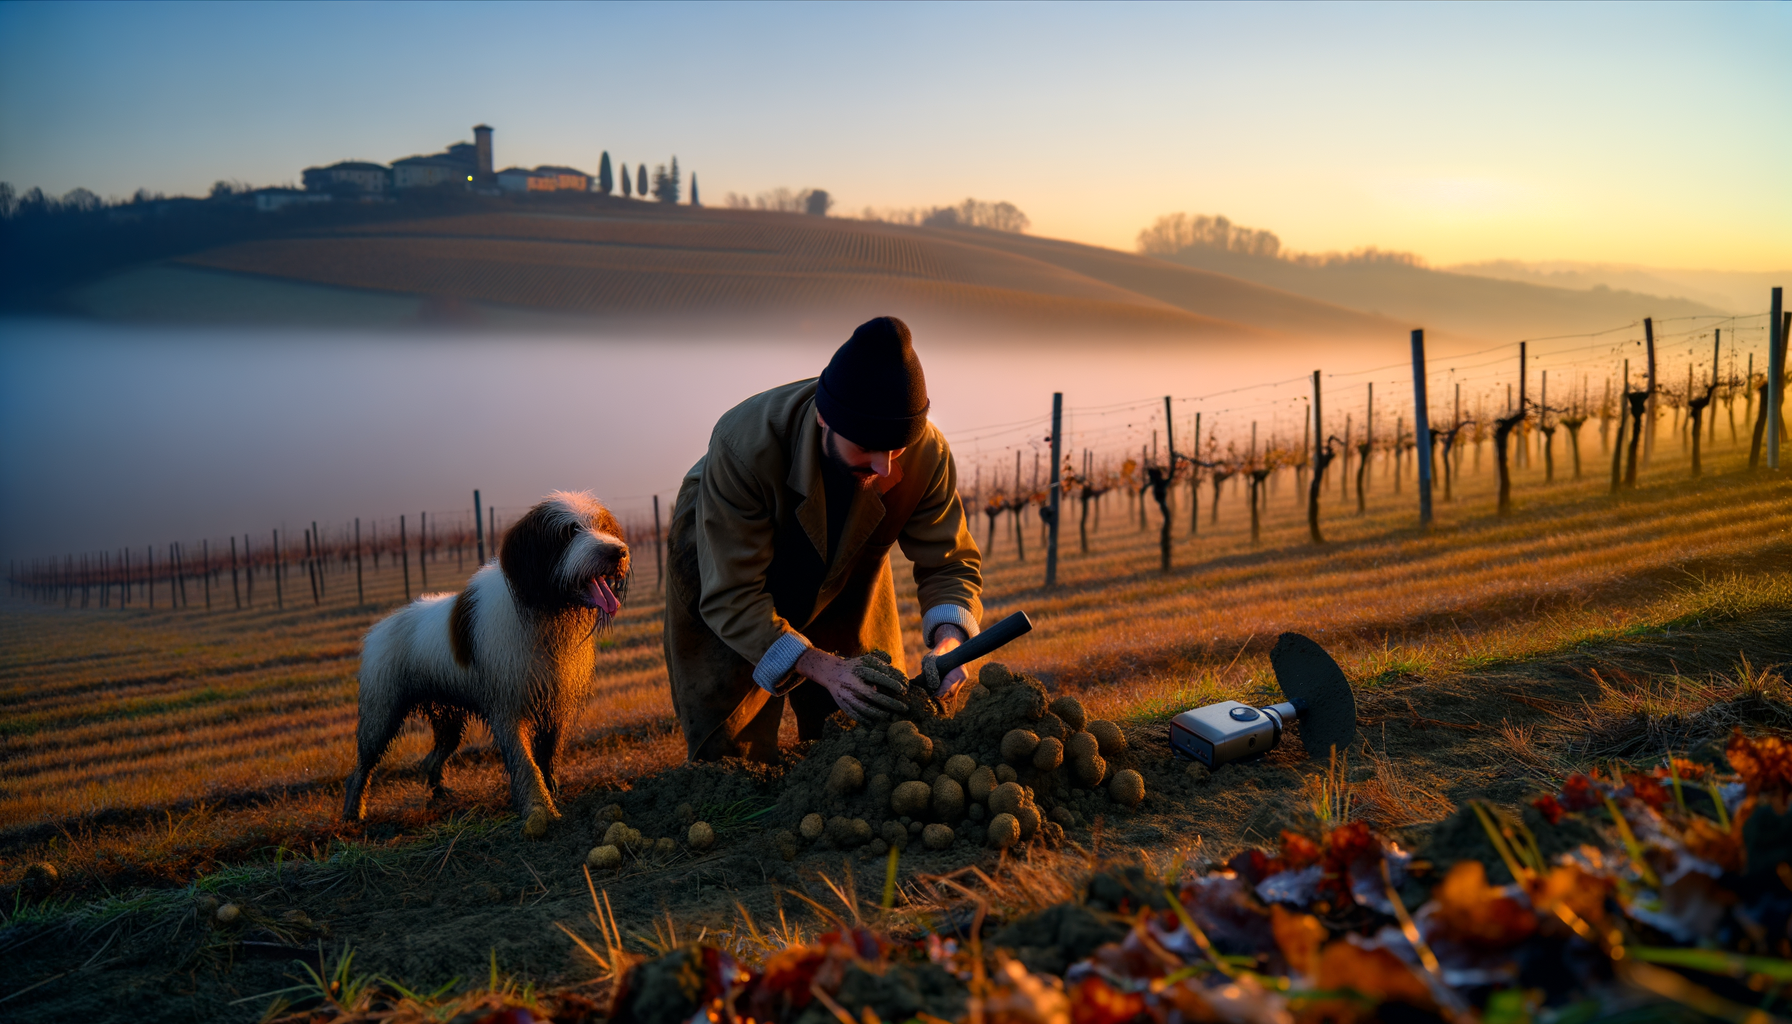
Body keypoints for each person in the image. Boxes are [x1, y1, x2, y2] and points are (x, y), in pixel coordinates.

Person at [664, 316, 984, 761]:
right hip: (726, 551)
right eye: (868, 448)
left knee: (867, 718)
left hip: (846, 559)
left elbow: (949, 562)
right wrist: (822, 666)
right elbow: (733, 595)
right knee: (732, 745)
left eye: (896, 449)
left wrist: (951, 639)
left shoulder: (926, 451)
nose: (885, 468)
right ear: (823, 418)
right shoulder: (743, 448)